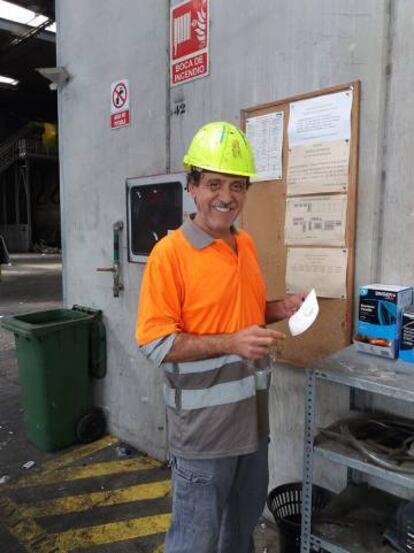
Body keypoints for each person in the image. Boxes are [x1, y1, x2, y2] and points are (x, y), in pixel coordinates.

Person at [136, 121, 304, 553]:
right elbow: (157, 343)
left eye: (237, 185)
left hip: (253, 424)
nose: (226, 197)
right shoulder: (168, 256)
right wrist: (231, 343)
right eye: (213, 183)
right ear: (191, 185)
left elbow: (240, 315)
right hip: (203, 436)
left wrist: (278, 310)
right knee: (194, 540)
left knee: (240, 532)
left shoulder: (243, 244)